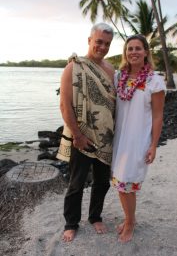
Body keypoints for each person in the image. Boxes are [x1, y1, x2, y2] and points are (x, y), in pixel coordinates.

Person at [57, 23, 116, 242]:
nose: (102, 46)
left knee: (102, 182)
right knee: (76, 183)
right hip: (81, 137)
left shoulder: (110, 69)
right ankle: (71, 223)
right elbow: (65, 106)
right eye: (99, 41)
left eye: (107, 44)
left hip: (106, 138)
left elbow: (114, 104)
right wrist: (78, 136)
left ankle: (95, 217)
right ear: (89, 40)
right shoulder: (73, 67)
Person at [111, 34, 166, 243]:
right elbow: (99, 70)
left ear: (145, 52)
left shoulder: (154, 81)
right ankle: (128, 218)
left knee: (127, 183)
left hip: (137, 141)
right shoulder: (119, 76)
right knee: (119, 183)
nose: (133, 52)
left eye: (138, 48)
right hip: (119, 140)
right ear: (126, 53)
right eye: (130, 48)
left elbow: (158, 115)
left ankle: (130, 223)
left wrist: (153, 145)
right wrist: (75, 62)